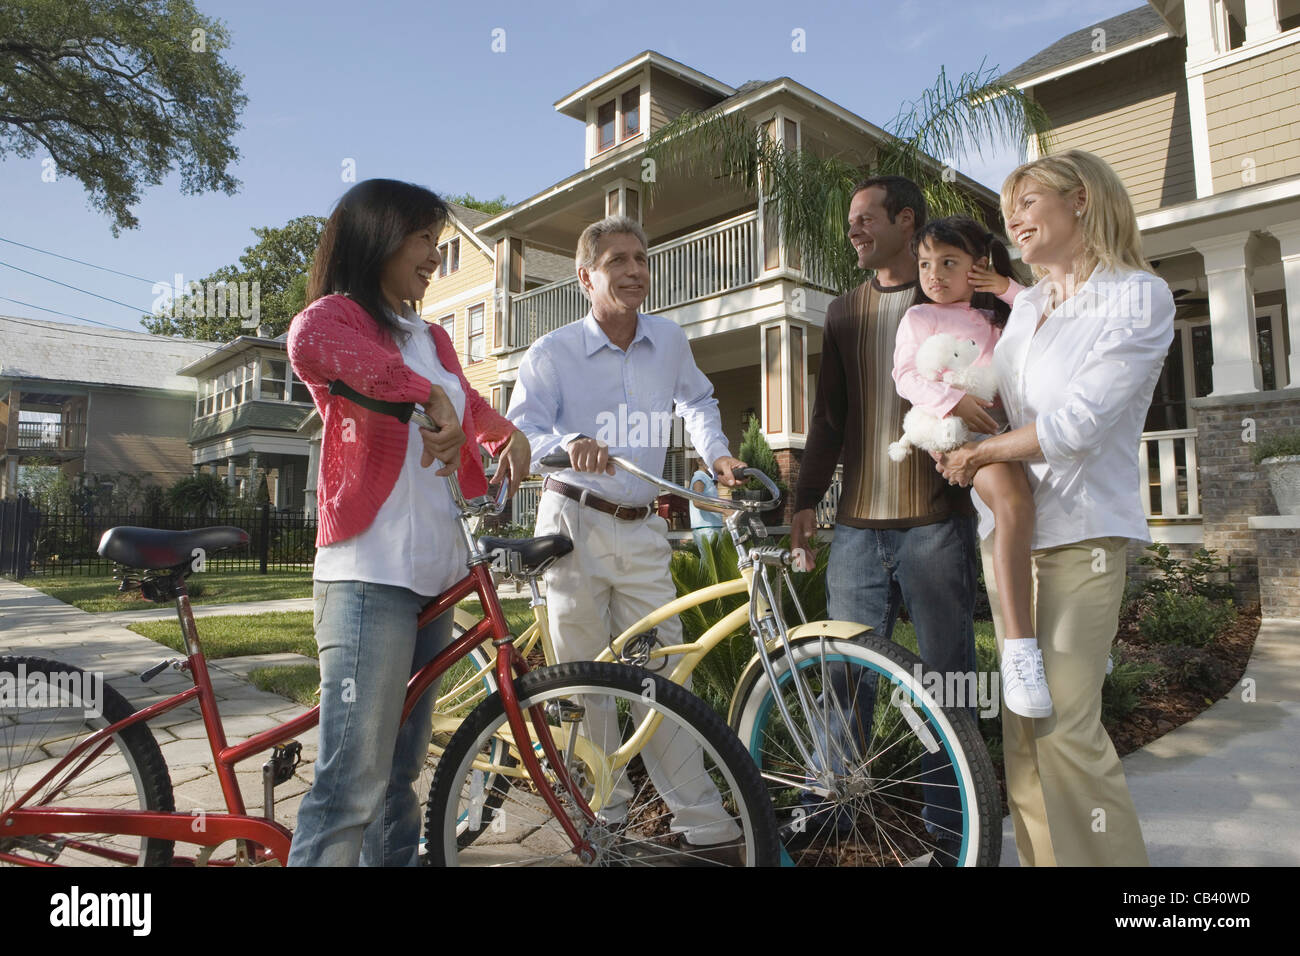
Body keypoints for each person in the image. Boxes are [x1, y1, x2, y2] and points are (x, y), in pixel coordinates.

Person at [936, 149, 1173, 866]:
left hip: (1083, 536)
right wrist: (945, 396)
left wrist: (982, 453)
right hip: (1013, 537)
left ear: (1083, 203)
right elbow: (1001, 399)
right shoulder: (1032, 303)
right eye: (1011, 204)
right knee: (1023, 733)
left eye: (1029, 200)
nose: (1013, 217)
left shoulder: (1138, 296)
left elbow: (1075, 427)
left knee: (1065, 723)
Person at [285, 179, 530, 866]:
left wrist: (505, 432)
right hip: (369, 575)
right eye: (422, 239)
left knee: (399, 778)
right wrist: (426, 397)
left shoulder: (433, 337)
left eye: (436, 239)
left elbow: (470, 407)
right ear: (378, 238)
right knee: (349, 785)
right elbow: (312, 345)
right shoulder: (339, 319)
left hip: (434, 580)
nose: (433, 254)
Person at [507, 215, 749, 860]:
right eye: (618, 259)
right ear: (587, 277)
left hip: (643, 529)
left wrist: (717, 457)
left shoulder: (669, 339)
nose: (635, 269)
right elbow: (522, 432)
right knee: (585, 683)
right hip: (571, 526)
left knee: (667, 675)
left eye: (642, 257)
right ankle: (601, 818)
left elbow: (697, 401)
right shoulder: (552, 350)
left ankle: (704, 825)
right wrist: (567, 445)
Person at [789, 177, 977, 859]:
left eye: (866, 218)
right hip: (859, 530)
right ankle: (828, 810)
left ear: (906, 221)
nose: (854, 231)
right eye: (850, 221)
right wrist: (805, 501)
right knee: (844, 673)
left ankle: (953, 827)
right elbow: (828, 419)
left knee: (944, 675)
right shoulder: (842, 313)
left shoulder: (953, 302)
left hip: (936, 523)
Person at [890, 215, 1051, 719]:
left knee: (1042, 523)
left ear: (977, 267)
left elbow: (1045, 317)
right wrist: (953, 399)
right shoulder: (919, 318)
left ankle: (1060, 642)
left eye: (948, 262)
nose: (933, 274)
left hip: (1017, 432)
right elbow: (905, 375)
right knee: (1011, 501)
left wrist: (1004, 286)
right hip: (963, 434)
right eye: (924, 264)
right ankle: (1022, 650)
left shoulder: (998, 317)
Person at [688, 457, 725, 556]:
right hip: (706, 529)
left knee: (712, 564)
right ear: (699, 461)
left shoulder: (707, 478)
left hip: (711, 527)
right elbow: (697, 503)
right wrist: (724, 510)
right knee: (709, 564)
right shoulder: (699, 478)